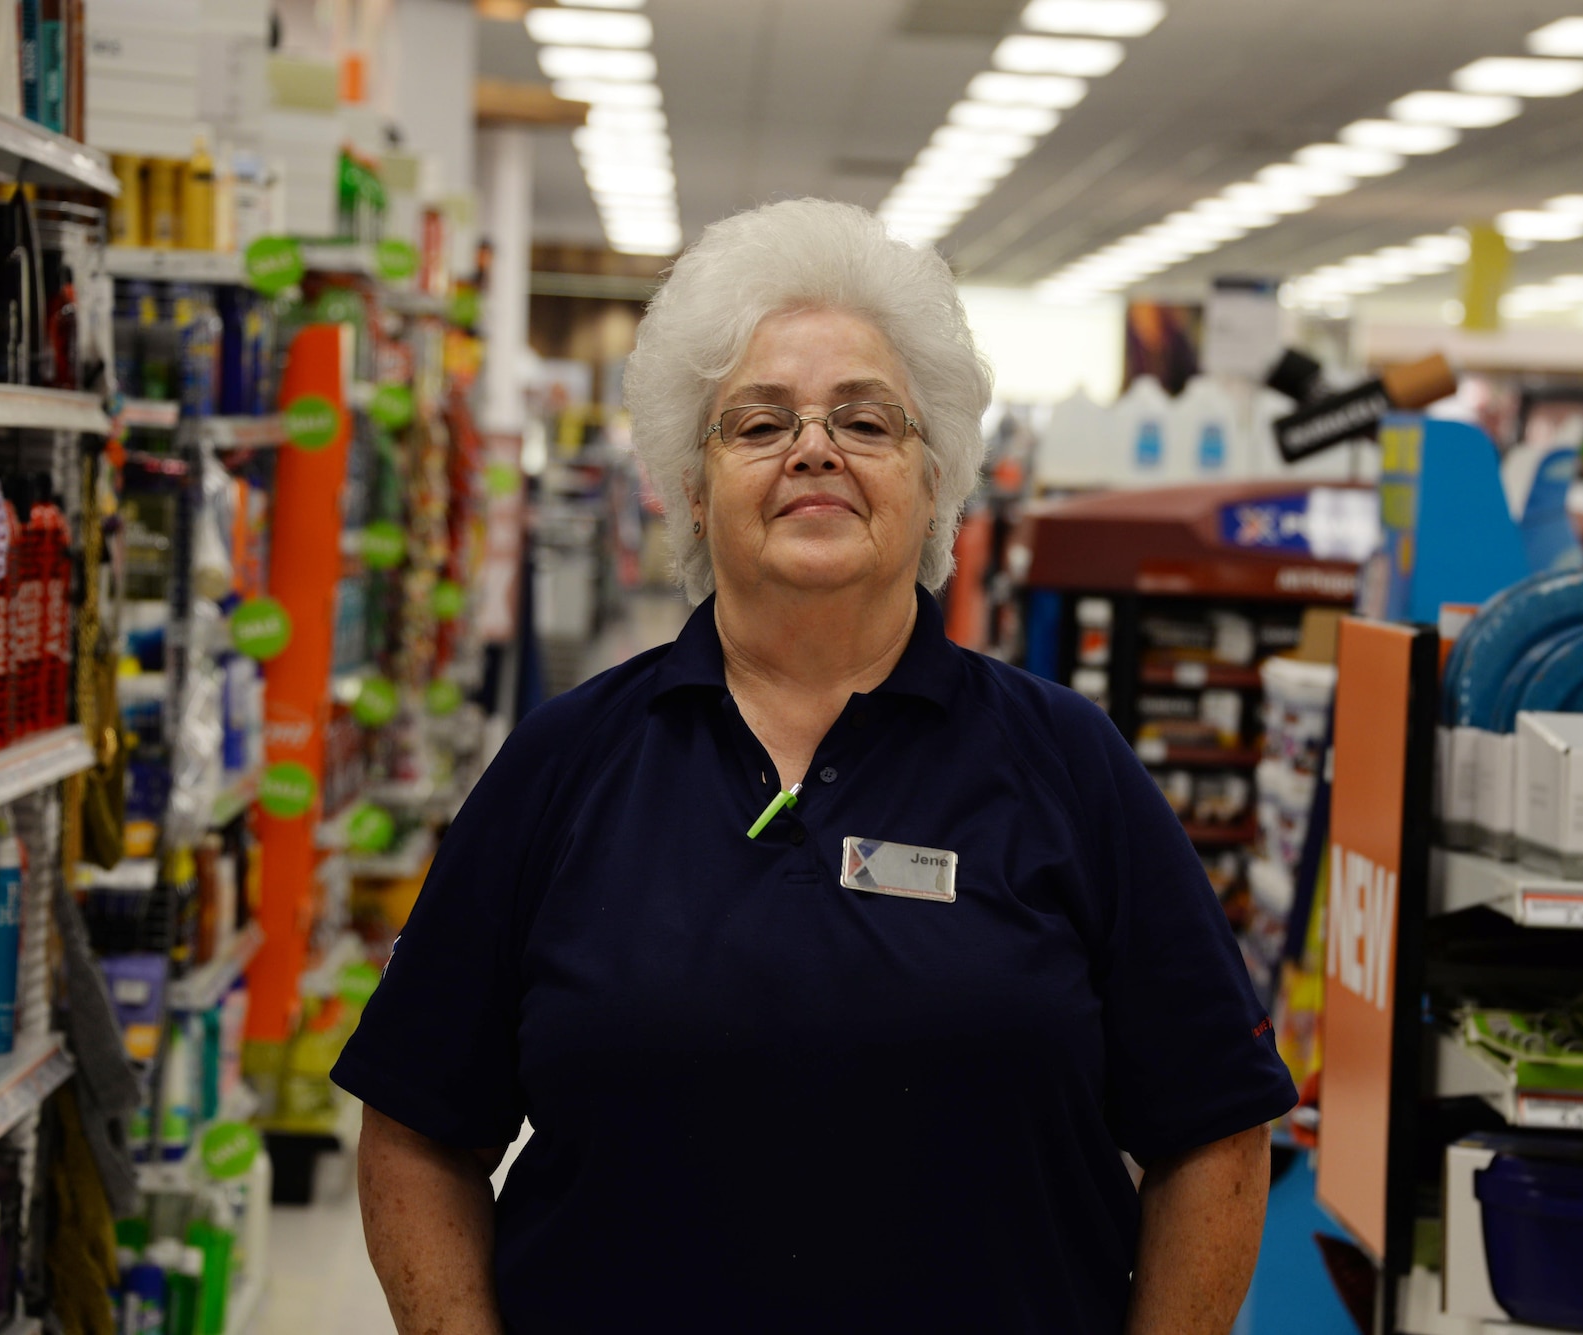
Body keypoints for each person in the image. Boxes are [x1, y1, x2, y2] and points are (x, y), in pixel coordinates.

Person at [335, 198, 1298, 1334]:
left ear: (932, 481)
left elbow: (1215, 1130)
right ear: (689, 488)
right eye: (756, 424)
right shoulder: (563, 762)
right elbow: (414, 1132)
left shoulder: (1066, 766)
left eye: (866, 422)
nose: (812, 450)